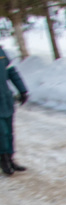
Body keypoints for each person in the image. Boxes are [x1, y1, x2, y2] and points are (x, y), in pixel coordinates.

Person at [0, 44, 28, 176]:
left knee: (9, 131)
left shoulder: (1, 51)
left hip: (5, 99)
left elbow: (11, 71)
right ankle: (3, 159)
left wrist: (22, 90)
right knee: (2, 132)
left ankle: (10, 158)